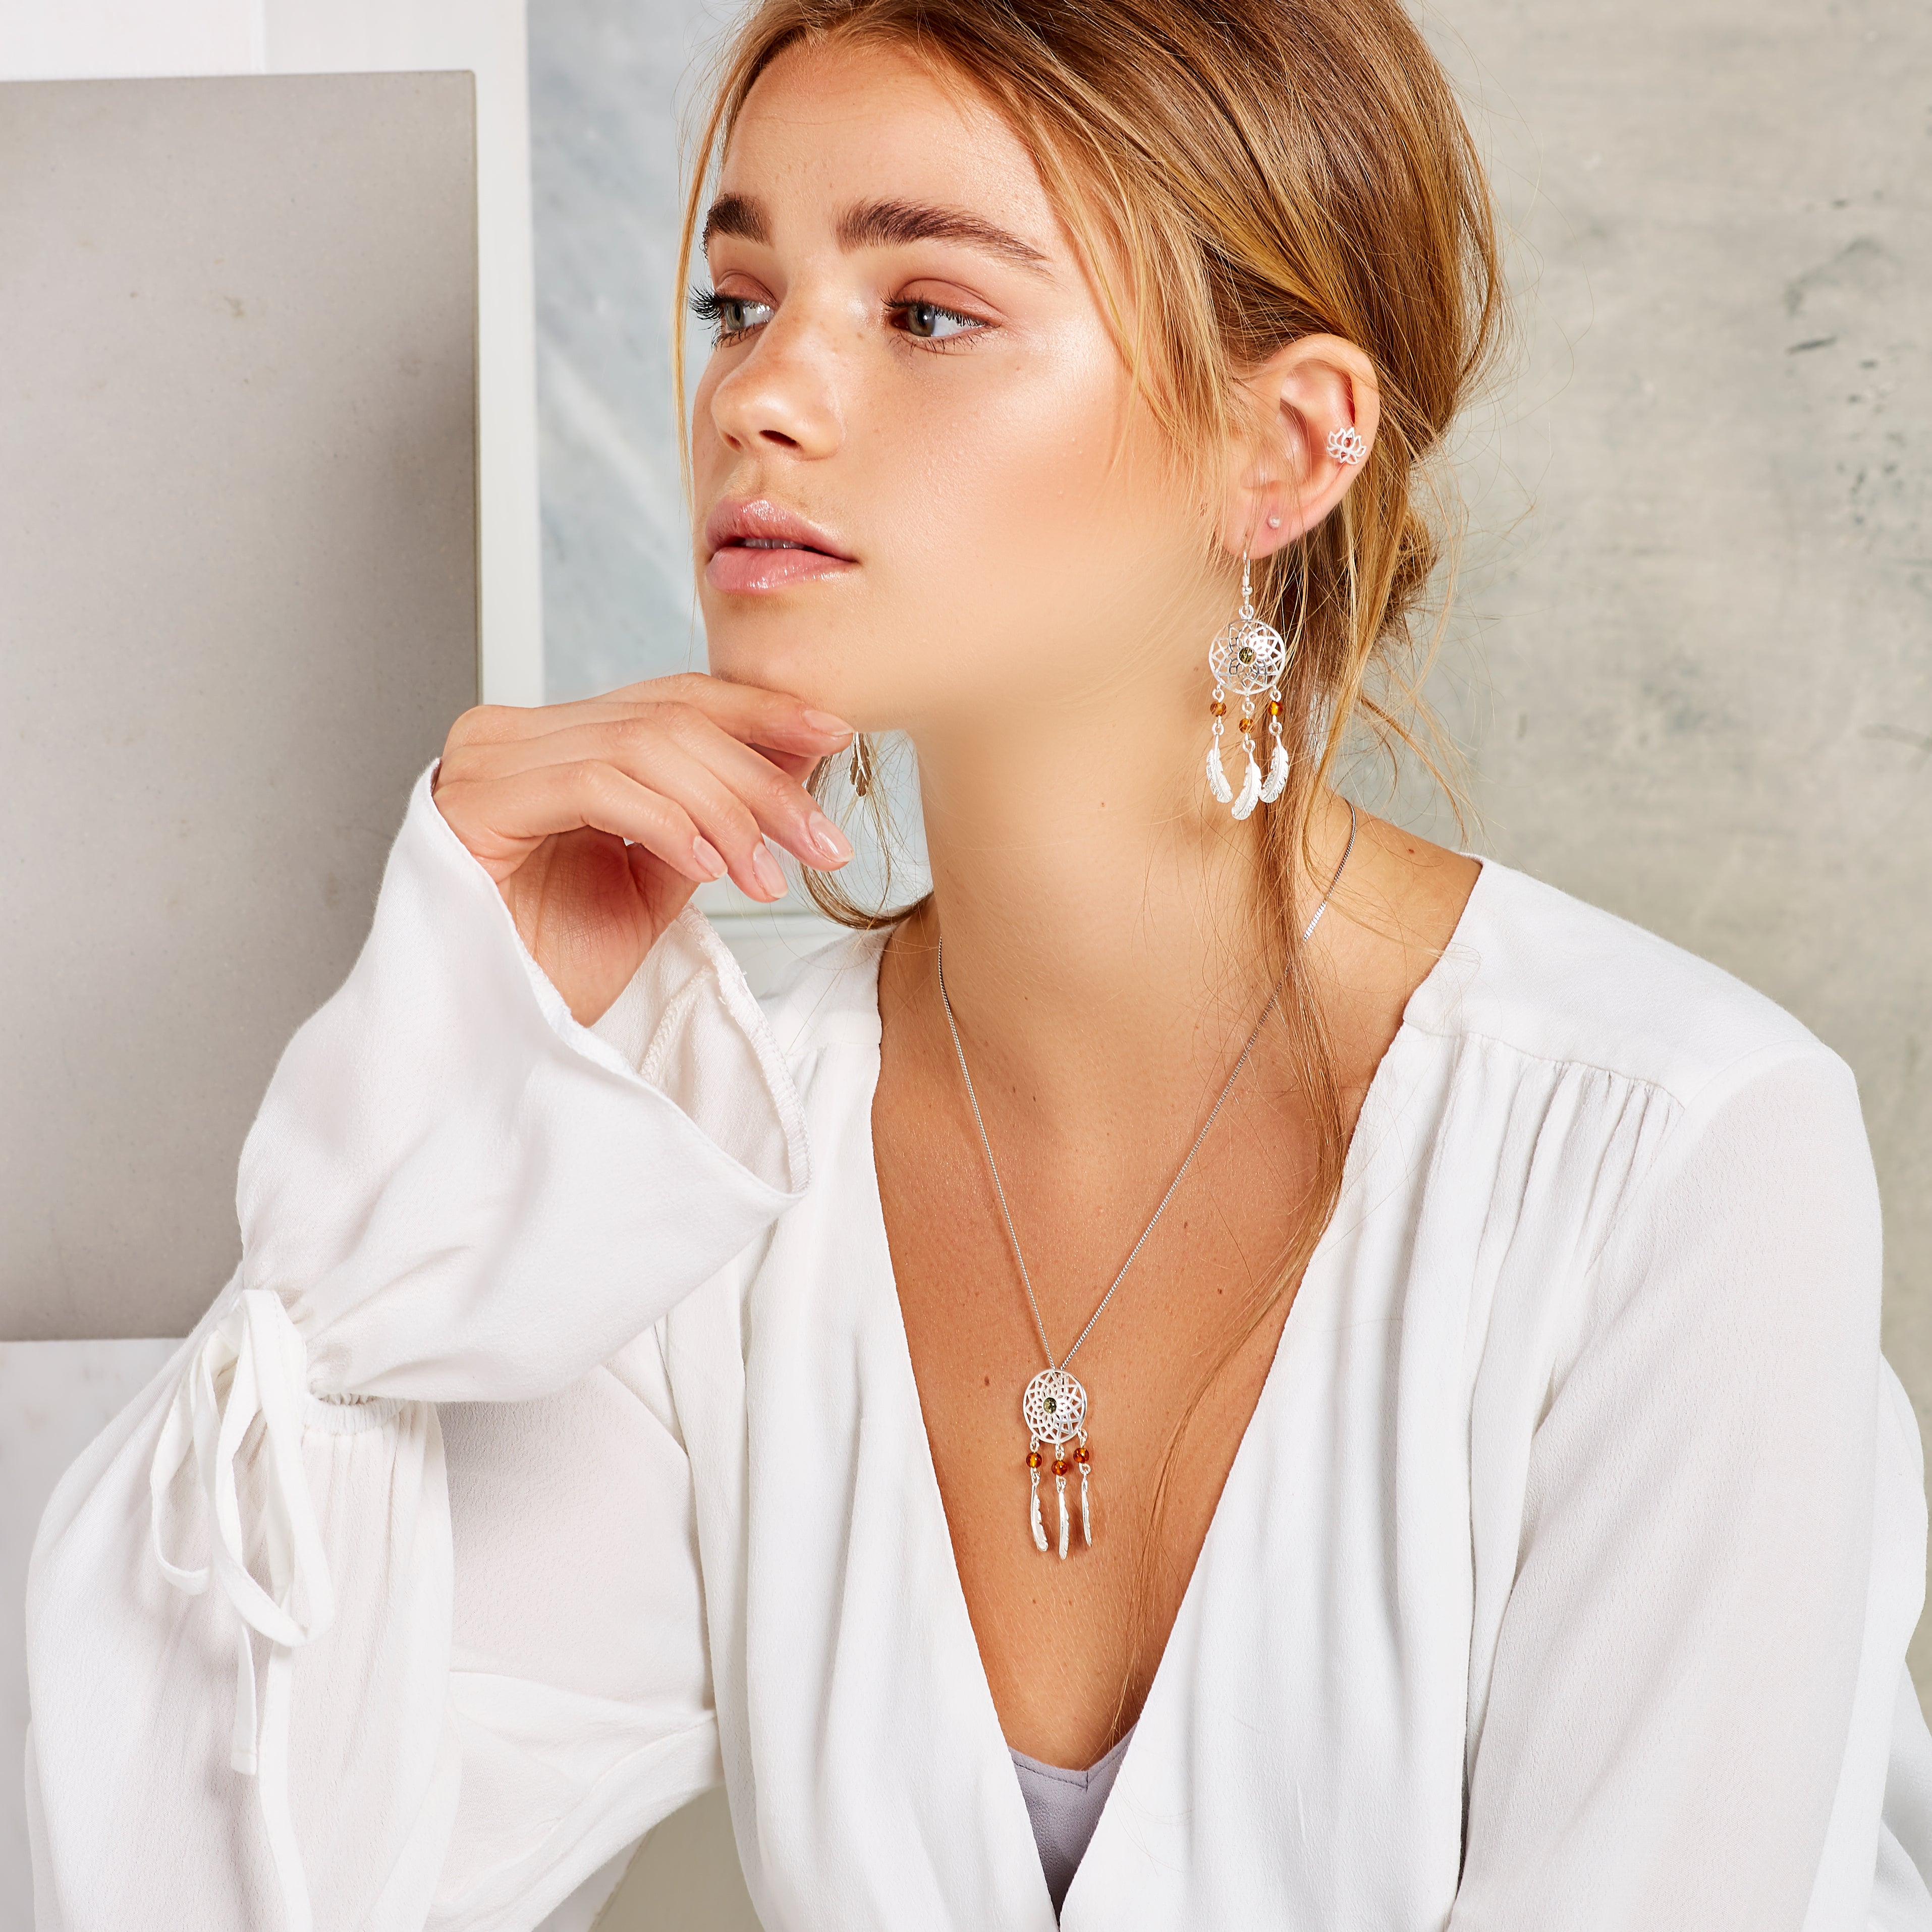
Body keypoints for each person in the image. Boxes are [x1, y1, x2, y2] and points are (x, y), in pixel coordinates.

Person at [26, 0, 1932, 1926]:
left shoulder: (1672, 1161)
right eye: (738, 300)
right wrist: (449, 1077)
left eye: (928, 313)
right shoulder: (714, 1160)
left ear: (1281, 447)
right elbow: (236, 1891)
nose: (760, 395)